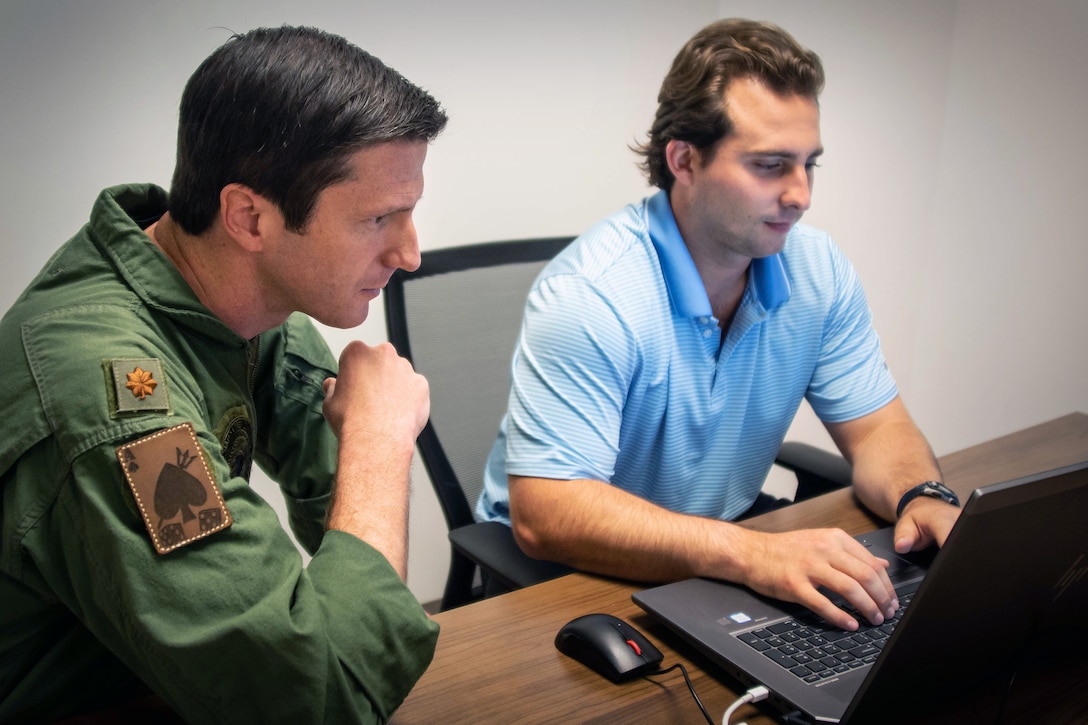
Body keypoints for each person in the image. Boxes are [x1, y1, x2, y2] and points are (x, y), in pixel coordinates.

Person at [0, 26, 447, 723]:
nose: (410, 254)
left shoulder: (247, 305)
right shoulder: (111, 401)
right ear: (247, 217)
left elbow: (344, 539)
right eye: (380, 217)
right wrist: (379, 440)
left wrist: (361, 462)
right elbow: (314, 700)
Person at [478, 18, 961, 633]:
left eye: (809, 164)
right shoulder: (590, 296)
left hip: (715, 553)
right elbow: (549, 514)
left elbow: (876, 432)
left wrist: (922, 494)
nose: (800, 195)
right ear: (684, 159)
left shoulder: (818, 270)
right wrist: (755, 553)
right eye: (769, 165)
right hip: (562, 575)